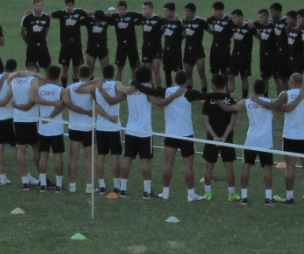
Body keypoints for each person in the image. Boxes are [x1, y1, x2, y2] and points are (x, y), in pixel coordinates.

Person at [131, 71, 224, 202]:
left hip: (170, 134)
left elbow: (148, 90)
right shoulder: (190, 93)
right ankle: (191, 194)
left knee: (167, 165)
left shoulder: (166, 91)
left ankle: (165, 192)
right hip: (186, 135)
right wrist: (226, 94)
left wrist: (134, 83)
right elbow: (208, 95)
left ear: (174, 79)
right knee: (188, 167)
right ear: (187, 81)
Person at [100, 66, 176, 199]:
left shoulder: (130, 89)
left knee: (127, 159)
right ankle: (147, 191)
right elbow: (157, 102)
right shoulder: (147, 91)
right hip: (144, 131)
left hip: (130, 130)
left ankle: (122, 189)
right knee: (145, 160)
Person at [262, 73, 304, 204]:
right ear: (301, 82)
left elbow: (276, 105)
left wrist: (285, 109)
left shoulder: (285, 94)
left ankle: (290, 197)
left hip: (289, 136)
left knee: (290, 167)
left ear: (291, 82)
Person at [221, 79, 275, 205]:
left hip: (251, 140)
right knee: (267, 168)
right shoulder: (270, 102)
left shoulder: (247, 102)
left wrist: (216, 98)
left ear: (253, 89)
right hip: (266, 141)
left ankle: (244, 197)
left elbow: (228, 108)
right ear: (265, 89)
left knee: (246, 166)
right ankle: (268, 197)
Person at [35, 66, 74, 193]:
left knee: (43, 155)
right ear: (58, 76)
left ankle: (42, 184)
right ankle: (58, 185)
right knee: (57, 156)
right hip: (56, 128)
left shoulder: (39, 89)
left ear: (47, 75)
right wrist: (54, 113)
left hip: (42, 127)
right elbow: (67, 103)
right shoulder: (61, 90)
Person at [200, 74, 238, 202]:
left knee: (209, 167)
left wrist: (215, 137)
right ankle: (231, 195)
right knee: (229, 167)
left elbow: (206, 121)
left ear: (213, 85)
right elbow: (232, 122)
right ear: (225, 85)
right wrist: (224, 137)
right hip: (227, 139)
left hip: (212, 138)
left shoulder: (208, 101)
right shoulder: (232, 101)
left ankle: (208, 194)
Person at [66, 67, 103, 193]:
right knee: (89, 158)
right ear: (91, 75)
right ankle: (89, 186)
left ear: (77, 74)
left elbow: (67, 103)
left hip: (74, 126)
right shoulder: (91, 88)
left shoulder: (70, 88)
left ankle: (72, 185)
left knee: (73, 157)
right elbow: (95, 103)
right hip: (89, 127)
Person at [92, 65, 126, 193]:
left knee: (100, 156)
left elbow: (96, 106)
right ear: (114, 74)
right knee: (115, 157)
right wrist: (111, 118)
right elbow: (114, 100)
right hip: (114, 127)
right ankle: (116, 186)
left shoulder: (96, 86)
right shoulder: (116, 84)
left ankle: (102, 185)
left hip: (100, 126)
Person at [11, 63, 45, 189]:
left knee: (21, 149)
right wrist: (24, 107)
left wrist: (17, 106)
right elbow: (33, 99)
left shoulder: (15, 80)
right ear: (36, 71)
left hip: (18, 119)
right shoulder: (33, 80)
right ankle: (42, 179)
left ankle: (24, 179)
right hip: (31, 119)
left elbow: (10, 97)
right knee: (36, 148)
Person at [0, 59, 18, 185]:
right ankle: (24, 175)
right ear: (14, 69)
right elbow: (8, 99)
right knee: (16, 147)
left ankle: (2, 176)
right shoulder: (13, 79)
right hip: (9, 117)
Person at [51, 0, 88, 86]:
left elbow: (87, 14)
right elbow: (50, 14)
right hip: (65, 46)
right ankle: (64, 88)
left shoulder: (79, 13)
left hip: (76, 46)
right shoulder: (62, 14)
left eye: (70, 5)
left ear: (73, 5)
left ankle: (74, 87)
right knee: (65, 68)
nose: (68, 7)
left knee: (76, 68)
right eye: (67, 6)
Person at [111, 1, 142, 82]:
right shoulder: (115, 17)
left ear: (126, 9)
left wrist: (136, 22)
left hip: (132, 45)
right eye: (119, 9)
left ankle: (134, 86)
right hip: (121, 46)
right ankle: (117, 86)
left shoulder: (131, 15)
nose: (121, 11)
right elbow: (105, 18)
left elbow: (142, 16)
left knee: (134, 68)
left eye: (123, 9)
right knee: (119, 67)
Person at [226, 9, 254, 99]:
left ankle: (244, 98)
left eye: (235, 18)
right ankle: (230, 98)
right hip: (234, 55)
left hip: (245, 57)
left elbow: (259, 36)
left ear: (240, 17)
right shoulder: (232, 25)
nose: (233, 20)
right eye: (232, 18)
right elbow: (225, 18)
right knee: (230, 76)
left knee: (244, 78)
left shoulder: (249, 27)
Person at [181, 3, 209, 93]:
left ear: (193, 12)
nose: (186, 13)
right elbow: (183, 35)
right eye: (185, 11)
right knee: (188, 74)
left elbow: (212, 32)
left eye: (188, 11)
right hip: (187, 51)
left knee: (202, 73)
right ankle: (189, 93)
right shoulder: (184, 22)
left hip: (198, 51)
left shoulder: (200, 22)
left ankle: (204, 94)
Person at [20, 0, 52, 69]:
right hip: (32, 46)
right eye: (36, 5)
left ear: (42, 6)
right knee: (31, 67)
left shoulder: (46, 18)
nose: (38, 7)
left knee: (47, 66)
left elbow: (46, 31)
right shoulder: (27, 18)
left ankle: (49, 80)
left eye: (40, 5)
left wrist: (42, 39)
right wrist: (28, 41)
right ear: (33, 6)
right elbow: (22, 32)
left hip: (42, 45)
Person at [206, 1, 233, 85]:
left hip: (224, 49)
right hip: (214, 49)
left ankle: (224, 90)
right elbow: (206, 22)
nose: (213, 12)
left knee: (224, 72)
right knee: (214, 71)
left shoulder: (228, 20)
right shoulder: (213, 19)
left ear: (220, 11)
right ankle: (215, 89)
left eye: (215, 10)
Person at [251, 9, 276, 96]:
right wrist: (254, 33)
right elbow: (261, 38)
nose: (259, 19)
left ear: (267, 17)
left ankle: (281, 99)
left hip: (273, 55)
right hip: (263, 55)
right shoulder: (260, 26)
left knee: (277, 78)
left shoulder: (273, 26)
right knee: (264, 78)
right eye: (259, 17)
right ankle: (265, 97)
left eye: (261, 17)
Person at [140, 1, 165, 87]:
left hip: (156, 48)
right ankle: (151, 88)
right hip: (146, 48)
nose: (143, 11)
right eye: (143, 9)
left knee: (156, 70)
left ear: (151, 9)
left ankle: (159, 90)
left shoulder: (158, 19)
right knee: (147, 71)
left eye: (145, 9)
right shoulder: (142, 18)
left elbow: (167, 25)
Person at [161, 3, 184, 88]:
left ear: (173, 11)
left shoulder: (178, 23)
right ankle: (169, 90)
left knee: (179, 72)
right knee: (167, 72)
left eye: (167, 11)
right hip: (166, 52)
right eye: (165, 11)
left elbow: (184, 33)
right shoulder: (164, 21)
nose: (165, 13)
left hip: (176, 51)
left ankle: (180, 90)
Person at [269, 3, 290, 93]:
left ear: (278, 11)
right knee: (280, 78)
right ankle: (281, 98)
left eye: (272, 12)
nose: (271, 14)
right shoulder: (272, 21)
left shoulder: (286, 21)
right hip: (275, 54)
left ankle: (289, 97)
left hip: (286, 54)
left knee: (287, 77)